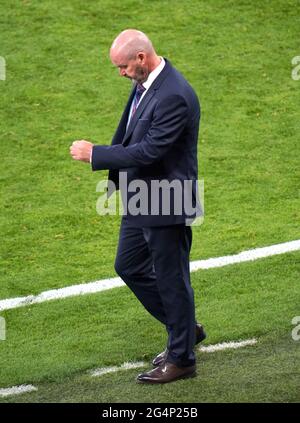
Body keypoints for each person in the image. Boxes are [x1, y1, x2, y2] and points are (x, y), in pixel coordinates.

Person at [70, 29, 206, 384]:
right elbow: (130, 132)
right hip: (142, 195)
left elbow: (149, 150)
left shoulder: (175, 95)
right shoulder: (146, 82)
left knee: (172, 279)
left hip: (166, 199)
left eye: (123, 67)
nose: (121, 74)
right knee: (128, 265)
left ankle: (182, 358)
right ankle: (185, 329)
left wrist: (96, 154)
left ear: (141, 58)